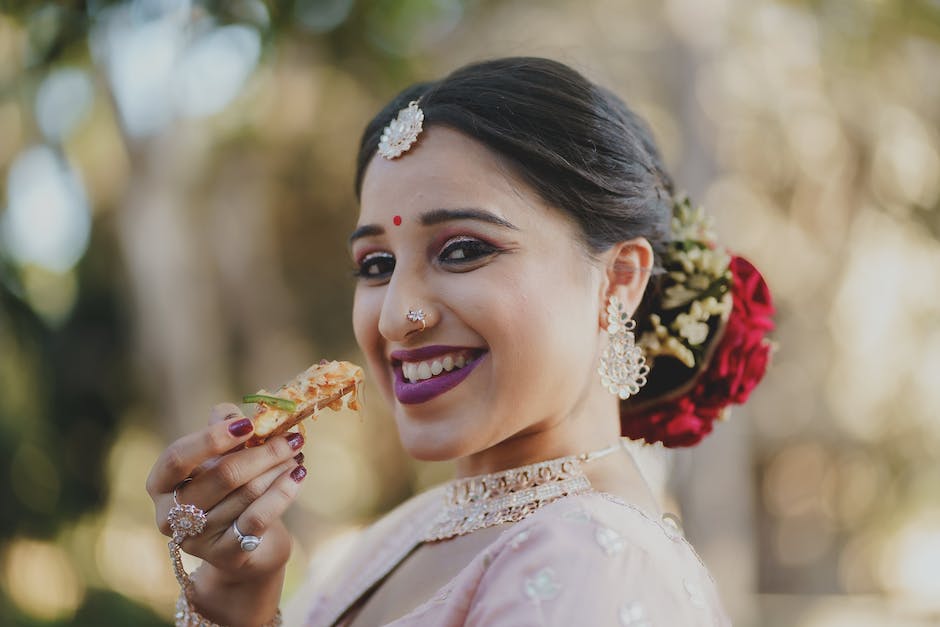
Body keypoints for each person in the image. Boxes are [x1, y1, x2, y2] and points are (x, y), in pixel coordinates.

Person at [147, 57, 774, 626]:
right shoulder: (406, 534)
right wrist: (238, 593)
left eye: (463, 250)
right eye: (375, 265)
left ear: (618, 280)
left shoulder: (592, 559)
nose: (396, 317)